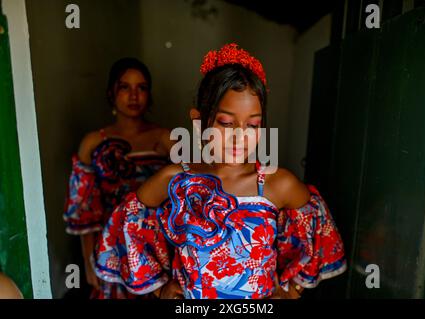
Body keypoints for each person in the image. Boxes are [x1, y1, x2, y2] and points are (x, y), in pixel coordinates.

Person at [94, 44, 347, 299]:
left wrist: (292, 291)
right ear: (198, 121)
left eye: (253, 124)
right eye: (226, 123)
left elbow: (318, 232)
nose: (240, 136)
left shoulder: (277, 184)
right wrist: (160, 287)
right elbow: (127, 221)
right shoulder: (175, 179)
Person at [63, 57, 174, 299]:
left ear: (150, 94)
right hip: (110, 244)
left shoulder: (166, 139)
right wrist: (88, 259)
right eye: (125, 87)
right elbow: (84, 208)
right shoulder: (93, 142)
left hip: (154, 244)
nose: (134, 96)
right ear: (111, 93)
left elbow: (188, 193)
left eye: (141, 88)